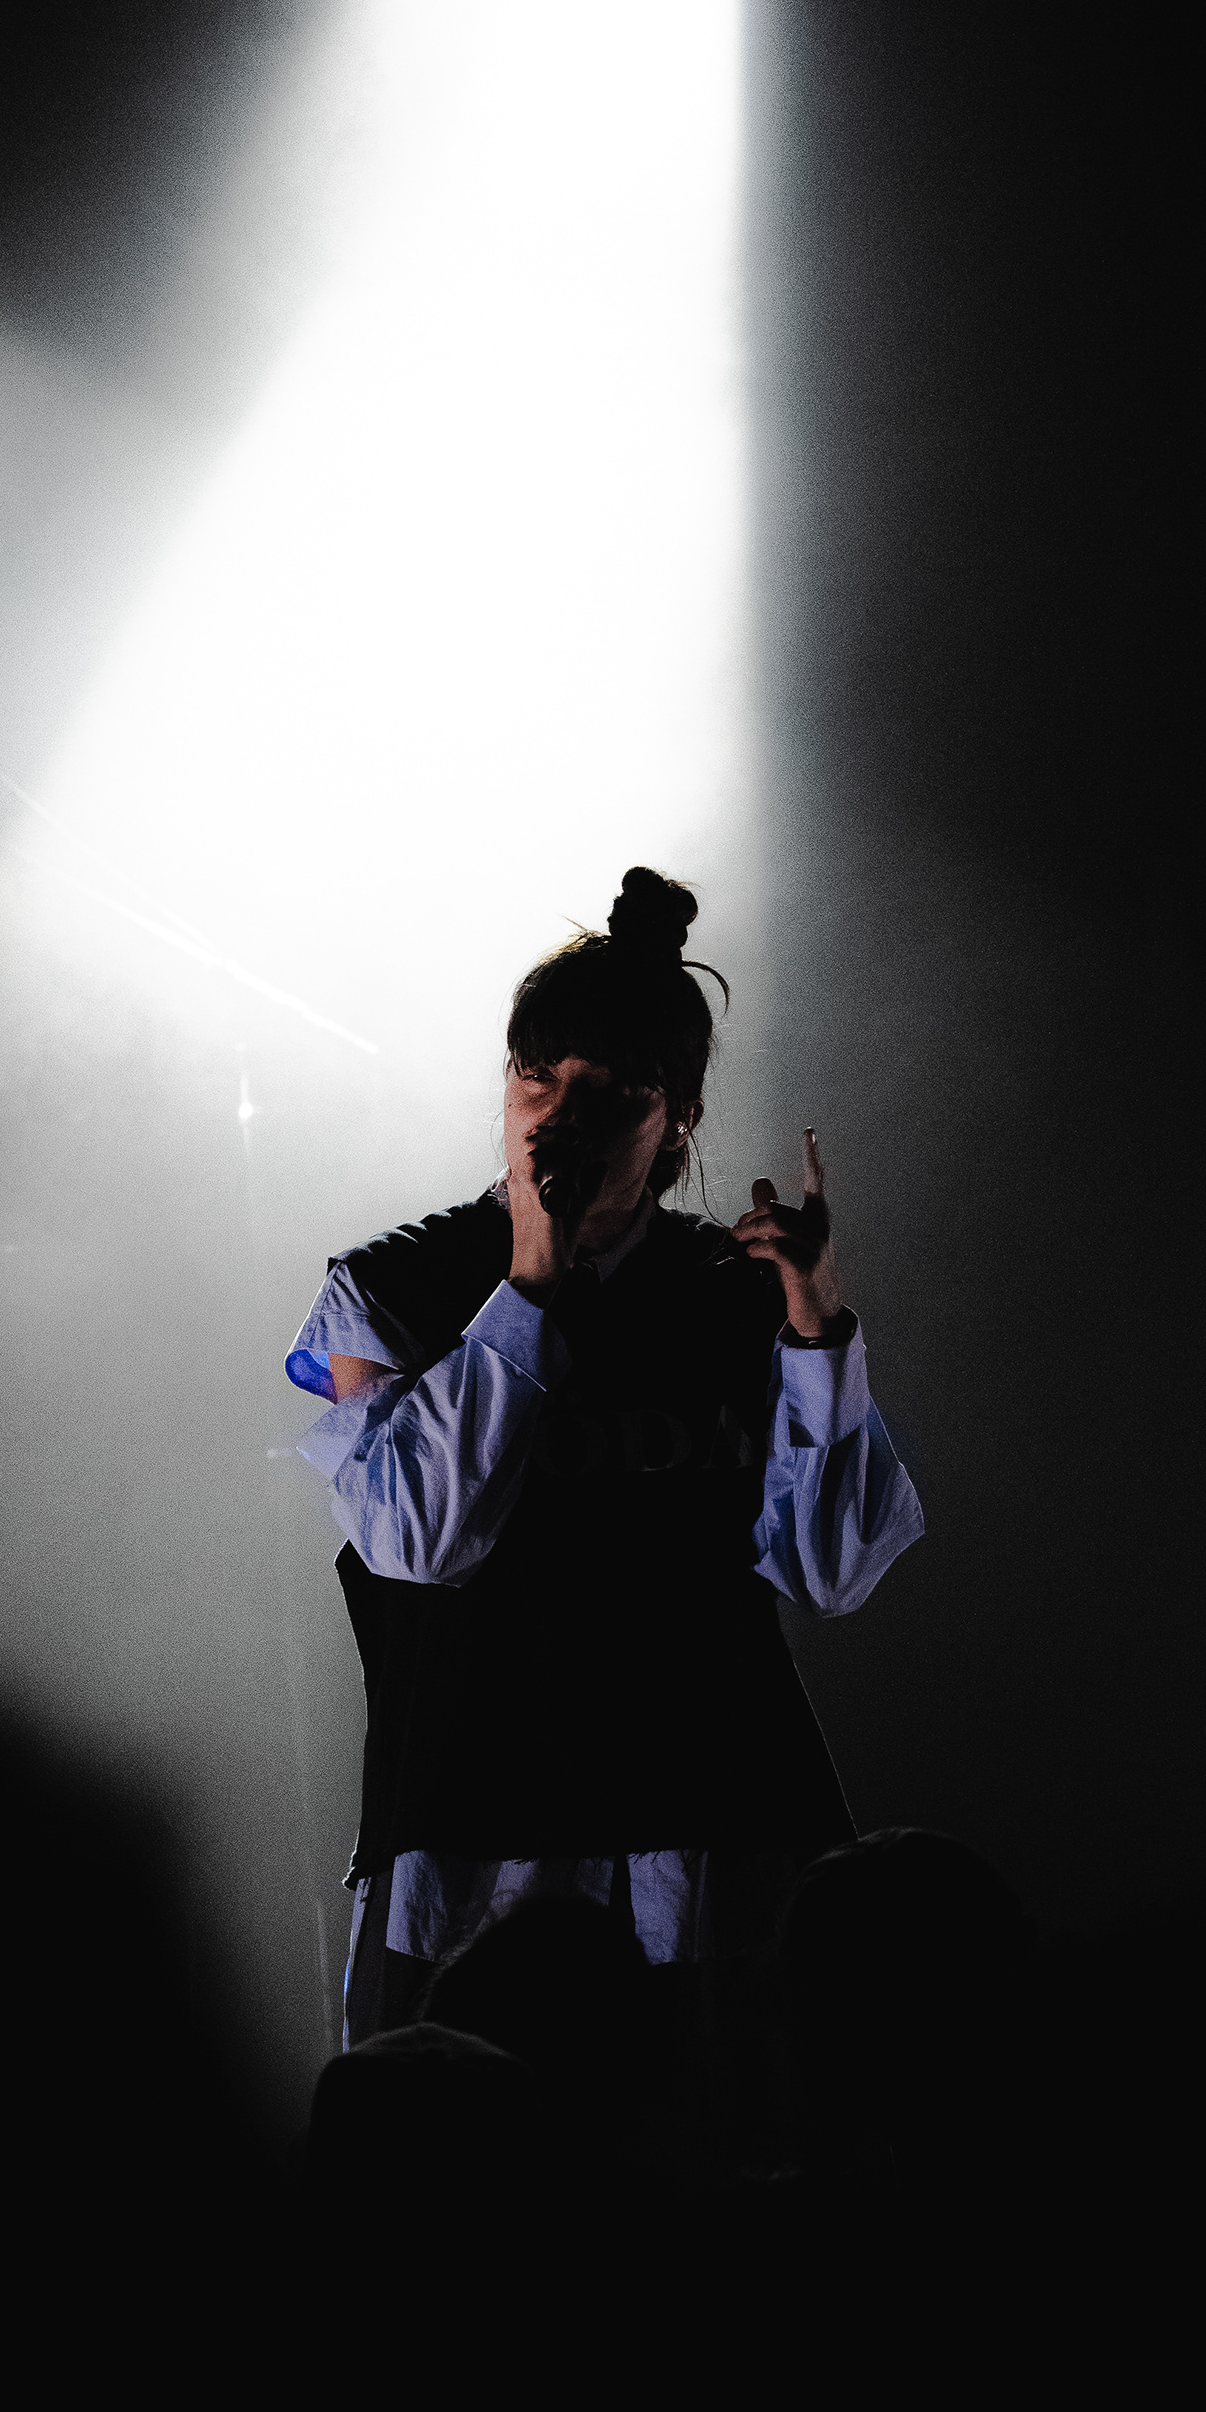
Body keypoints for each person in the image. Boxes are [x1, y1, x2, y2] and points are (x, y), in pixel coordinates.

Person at [284, 867, 924, 2043]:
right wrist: (530, 1278)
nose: (559, 1117)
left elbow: (833, 1571)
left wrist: (818, 1328)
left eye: (611, 1091)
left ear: (676, 1116)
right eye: (538, 1076)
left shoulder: (740, 1291)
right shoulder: (392, 1287)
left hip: (715, 1841)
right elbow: (417, 1541)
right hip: (477, 1840)